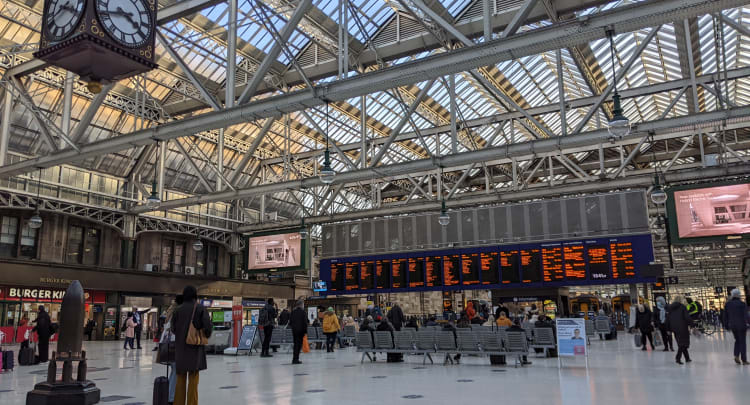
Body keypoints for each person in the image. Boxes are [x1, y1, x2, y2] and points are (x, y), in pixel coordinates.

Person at [171, 285, 212, 405]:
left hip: (180, 349)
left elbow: (173, 329)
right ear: (195, 295)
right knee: (194, 379)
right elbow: (207, 328)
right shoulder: (200, 308)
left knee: (180, 378)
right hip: (194, 348)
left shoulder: (177, 309)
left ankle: (178, 403)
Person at [159, 295, 183, 405]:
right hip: (174, 344)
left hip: (166, 345)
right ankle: (171, 397)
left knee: (174, 370)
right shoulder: (178, 313)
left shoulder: (169, 313)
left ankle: (170, 395)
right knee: (176, 371)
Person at [724, 288, 749, 365]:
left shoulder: (727, 304)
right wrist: (748, 324)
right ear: (739, 295)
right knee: (742, 342)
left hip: (733, 326)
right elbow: (746, 316)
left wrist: (726, 326)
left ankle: (736, 355)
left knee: (737, 340)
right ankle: (744, 360)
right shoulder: (742, 304)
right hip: (742, 325)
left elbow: (725, 316)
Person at [667, 295, 693, 365]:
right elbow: (687, 317)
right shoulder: (682, 307)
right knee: (682, 344)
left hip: (674, 328)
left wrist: (668, 329)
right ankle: (678, 358)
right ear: (680, 300)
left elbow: (668, 320)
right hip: (683, 327)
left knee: (681, 343)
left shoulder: (670, 308)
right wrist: (692, 324)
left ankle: (687, 358)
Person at [289, 300, 307, 365]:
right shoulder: (303, 312)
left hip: (294, 331)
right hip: (301, 331)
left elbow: (290, 321)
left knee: (295, 344)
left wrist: (293, 327)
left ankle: (295, 358)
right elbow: (305, 323)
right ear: (301, 305)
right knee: (299, 345)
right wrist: (305, 331)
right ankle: (296, 359)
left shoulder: (293, 312)